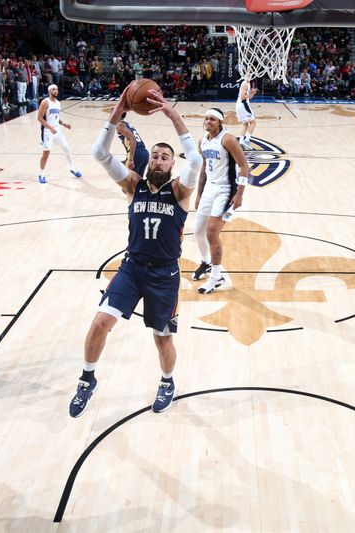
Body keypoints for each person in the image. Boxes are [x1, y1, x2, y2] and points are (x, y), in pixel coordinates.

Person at [69, 82, 202, 417]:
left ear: (172, 164)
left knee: (162, 338)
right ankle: (86, 380)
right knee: (100, 323)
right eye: (155, 155)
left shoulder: (181, 192)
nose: (158, 159)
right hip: (132, 269)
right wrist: (117, 112)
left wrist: (173, 115)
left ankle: (167, 381)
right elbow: (99, 154)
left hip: (165, 275)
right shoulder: (133, 185)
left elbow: (197, 160)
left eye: (165, 156)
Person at [191, 108, 249, 293]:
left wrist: (239, 193)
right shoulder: (203, 141)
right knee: (198, 231)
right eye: (206, 118)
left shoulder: (227, 139)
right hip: (209, 189)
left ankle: (216, 277)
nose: (208, 121)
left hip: (225, 190)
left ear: (220, 122)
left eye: (212, 119)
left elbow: (244, 165)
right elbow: (203, 169)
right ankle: (205, 262)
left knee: (211, 232)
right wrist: (199, 194)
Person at [37, 84, 81, 184]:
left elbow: (56, 117)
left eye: (56, 89)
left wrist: (64, 124)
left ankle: (72, 168)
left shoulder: (57, 103)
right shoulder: (45, 102)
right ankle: (42, 174)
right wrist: (50, 128)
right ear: (49, 91)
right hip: (47, 131)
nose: (55, 91)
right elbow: (39, 118)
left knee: (66, 148)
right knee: (46, 154)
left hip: (57, 130)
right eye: (53, 89)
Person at [116, 112, 149, 177]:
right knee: (138, 182)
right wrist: (127, 159)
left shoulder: (120, 126)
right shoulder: (127, 124)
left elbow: (133, 139)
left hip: (136, 154)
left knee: (129, 182)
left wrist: (131, 159)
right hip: (144, 153)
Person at [235, 77, 257, 150]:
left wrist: (252, 93)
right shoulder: (244, 84)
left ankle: (241, 142)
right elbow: (242, 97)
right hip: (243, 105)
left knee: (245, 125)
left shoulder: (248, 83)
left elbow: (248, 97)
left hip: (240, 105)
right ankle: (247, 140)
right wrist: (250, 94)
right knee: (253, 122)